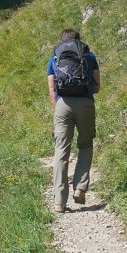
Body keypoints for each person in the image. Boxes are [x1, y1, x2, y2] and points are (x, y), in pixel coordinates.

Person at [47, 28, 100, 213]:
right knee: (85, 145)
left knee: (61, 150)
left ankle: (59, 202)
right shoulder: (89, 57)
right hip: (85, 104)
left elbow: (52, 90)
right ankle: (80, 187)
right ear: (79, 41)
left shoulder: (54, 58)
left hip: (63, 105)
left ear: (62, 42)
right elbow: (97, 88)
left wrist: (60, 105)